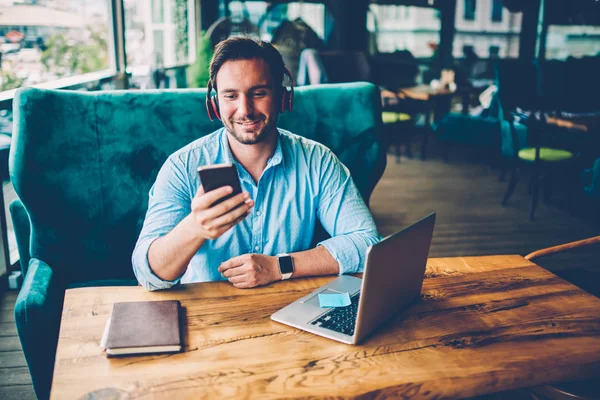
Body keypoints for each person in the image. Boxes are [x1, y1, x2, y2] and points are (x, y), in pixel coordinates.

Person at [132, 36, 379, 291]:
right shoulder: (181, 167)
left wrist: (278, 267)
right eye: (230, 96)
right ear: (215, 104)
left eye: (258, 93)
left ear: (283, 98)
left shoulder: (318, 161)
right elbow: (147, 274)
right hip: (207, 318)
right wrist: (194, 228)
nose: (245, 110)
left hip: (286, 310)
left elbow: (367, 244)